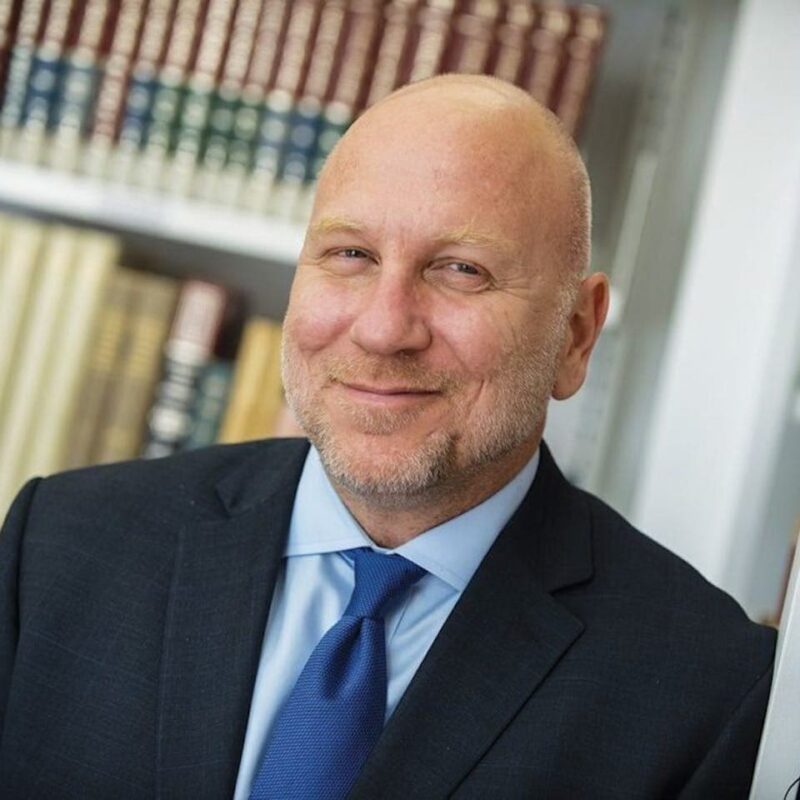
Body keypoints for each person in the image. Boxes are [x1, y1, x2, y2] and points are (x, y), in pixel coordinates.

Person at [0, 75, 775, 799]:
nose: (382, 329)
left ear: (575, 334)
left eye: (461, 270)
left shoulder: (710, 695)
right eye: (351, 255)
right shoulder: (59, 546)